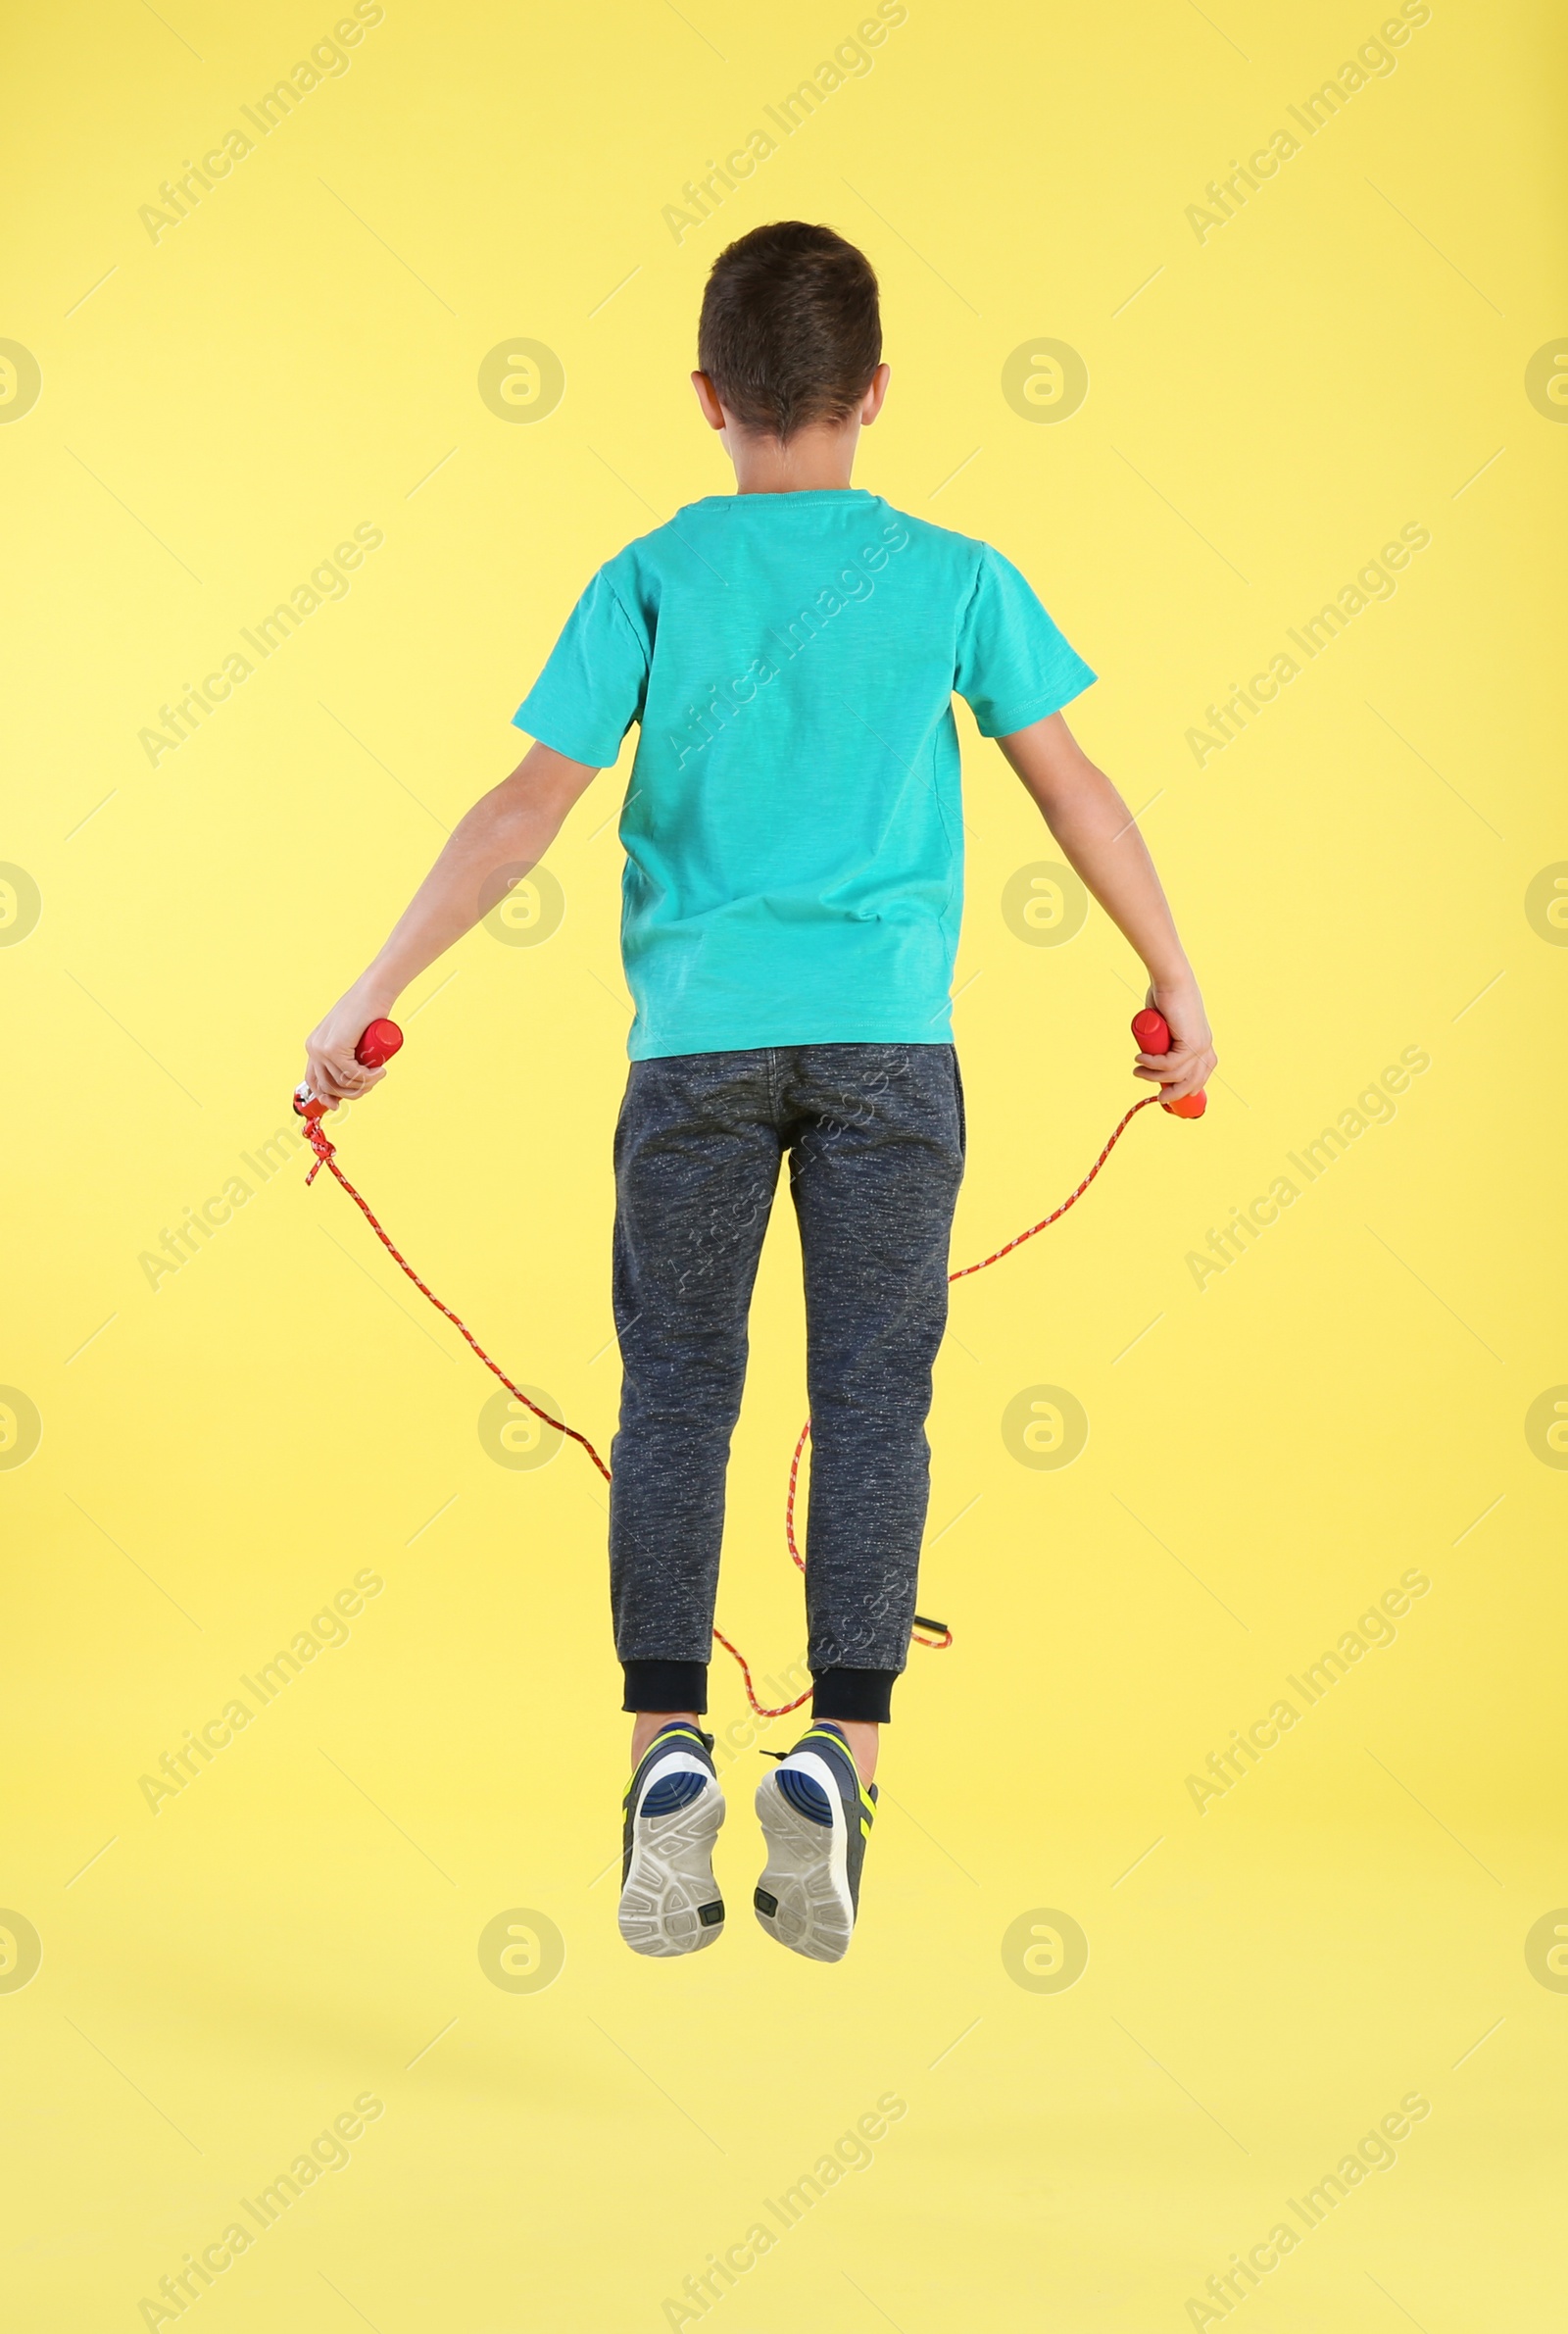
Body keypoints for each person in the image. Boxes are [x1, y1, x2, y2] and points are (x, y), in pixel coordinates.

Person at [303, 221, 1216, 1964]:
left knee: (679, 1395)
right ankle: (838, 1758)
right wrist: (1173, 975)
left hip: (695, 1055)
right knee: (873, 1401)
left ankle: (665, 1749)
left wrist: (368, 995)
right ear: (877, 393)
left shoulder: (650, 573)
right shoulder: (955, 572)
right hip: (889, 1049)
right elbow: (1072, 783)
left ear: (709, 398)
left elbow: (522, 813)